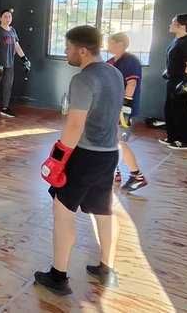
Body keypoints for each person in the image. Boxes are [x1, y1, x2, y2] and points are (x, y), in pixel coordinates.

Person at [34, 25, 123, 296]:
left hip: (84, 155)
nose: (66, 52)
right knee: (103, 211)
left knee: (63, 212)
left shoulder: (83, 79)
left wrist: (58, 158)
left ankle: (58, 277)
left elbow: (75, 125)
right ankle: (107, 269)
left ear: (82, 50)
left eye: (68, 47)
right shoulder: (115, 72)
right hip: (109, 153)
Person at [106, 33, 147, 191]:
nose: (108, 45)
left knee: (119, 142)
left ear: (121, 44)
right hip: (112, 108)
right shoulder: (111, 62)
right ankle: (115, 171)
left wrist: (126, 107)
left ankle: (137, 176)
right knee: (111, 141)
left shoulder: (130, 61)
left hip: (123, 109)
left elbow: (131, 83)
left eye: (111, 42)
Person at [159, 14, 187, 150]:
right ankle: (172, 137)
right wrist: (168, 71)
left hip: (183, 83)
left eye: (173, 22)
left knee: (181, 112)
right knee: (170, 110)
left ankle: (185, 141)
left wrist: (186, 83)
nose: (170, 25)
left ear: (182, 26)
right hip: (173, 81)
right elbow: (175, 60)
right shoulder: (177, 40)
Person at [0, 9, 30, 119]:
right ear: (0, 18)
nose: (7, 18)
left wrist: (24, 58)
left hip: (10, 64)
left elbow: (17, 46)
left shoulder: (12, 31)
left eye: (9, 16)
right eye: (5, 16)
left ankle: (5, 108)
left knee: (8, 86)